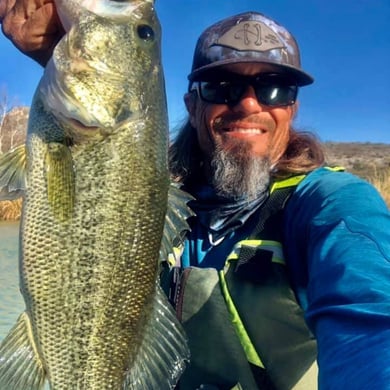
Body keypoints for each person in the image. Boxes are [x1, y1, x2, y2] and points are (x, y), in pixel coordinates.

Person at [1, 3, 390, 389]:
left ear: (292, 107)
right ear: (192, 103)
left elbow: (373, 321)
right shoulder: (159, 199)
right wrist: (69, 57)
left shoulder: (334, 205)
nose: (249, 104)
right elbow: (111, 162)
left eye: (274, 87)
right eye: (223, 87)